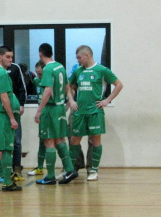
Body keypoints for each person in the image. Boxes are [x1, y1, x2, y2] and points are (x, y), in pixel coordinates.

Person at [67, 45, 123, 181]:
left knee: (95, 140)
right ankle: (70, 170)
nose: (78, 60)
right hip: (80, 112)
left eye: (79, 58)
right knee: (74, 139)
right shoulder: (78, 71)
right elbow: (69, 86)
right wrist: (71, 101)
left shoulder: (102, 70)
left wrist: (107, 100)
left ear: (87, 55)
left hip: (94, 112)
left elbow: (119, 84)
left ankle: (93, 170)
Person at [33, 43, 77, 185]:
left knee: (48, 141)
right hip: (60, 107)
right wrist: (66, 103)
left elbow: (47, 91)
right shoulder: (60, 66)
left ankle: (50, 176)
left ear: (40, 54)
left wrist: (39, 111)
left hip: (51, 109)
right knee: (59, 140)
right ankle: (70, 169)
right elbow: (67, 87)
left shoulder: (47, 69)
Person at [0, 45, 27, 181]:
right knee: (5, 148)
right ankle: (7, 182)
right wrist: (12, 118)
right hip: (1, 114)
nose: (11, 60)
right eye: (8, 57)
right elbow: (4, 96)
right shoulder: (2, 73)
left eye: (12, 57)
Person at [27, 61, 46, 176]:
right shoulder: (36, 81)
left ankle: (66, 168)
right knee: (42, 141)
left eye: (41, 74)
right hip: (42, 115)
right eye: (37, 73)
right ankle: (39, 167)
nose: (39, 76)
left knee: (55, 141)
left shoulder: (50, 82)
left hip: (50, 113)